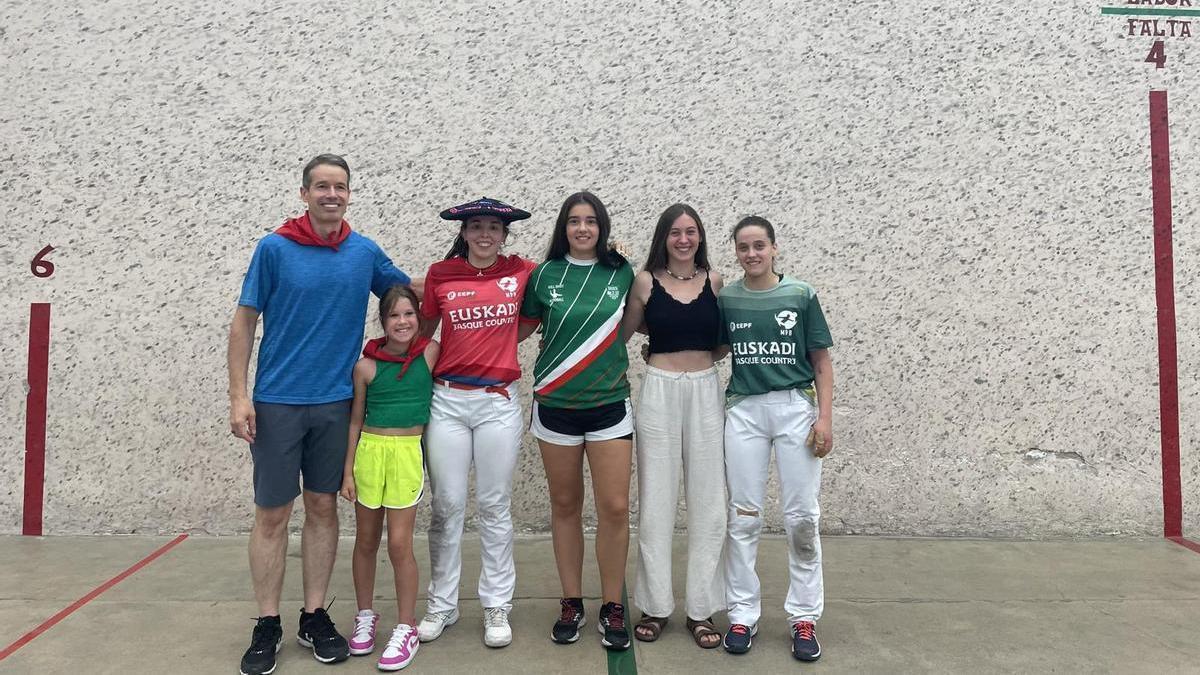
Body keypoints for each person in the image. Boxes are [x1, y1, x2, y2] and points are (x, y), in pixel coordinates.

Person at [228, 154, 418, 675]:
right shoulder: (274, 248)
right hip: (277, 402)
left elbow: (410, 298)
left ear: (349, 194)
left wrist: (478, 276)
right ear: (305, 193)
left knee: (322, 508)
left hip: (336, 405)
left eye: (340, 187)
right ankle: (268, 623)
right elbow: (243, 324)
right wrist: (239, 396)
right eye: (321, 187)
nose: (331, 194)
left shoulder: (363, 252)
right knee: (272, 515)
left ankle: (314, 615)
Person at [416, 197, 539, 649]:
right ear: (463, 233)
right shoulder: (440, 274)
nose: (485, 234)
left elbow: (531, 318)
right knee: (446, 506)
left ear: (505, 234)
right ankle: (442, 604)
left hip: (498, 404)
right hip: (447, 402)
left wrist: (500, 342)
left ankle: (496, 604)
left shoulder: (524, 271)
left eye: (493, 227)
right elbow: (425, 331)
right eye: (476, 227)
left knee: (494, 506)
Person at [520, 191, 636, 651]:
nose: (583, 228)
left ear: (602, 227)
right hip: (555, 406)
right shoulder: (544, 274)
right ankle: (571, 600)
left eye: (591, 221)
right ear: (563, 228)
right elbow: (518, 328)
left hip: (610, 404)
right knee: (565, 507)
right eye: (574, 221)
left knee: (614, 508)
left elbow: (632, 323)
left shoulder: (621, 270)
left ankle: (612, 605)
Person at [715, 216, 834, 662]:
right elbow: (715, 348)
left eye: (759, 245)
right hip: (744, 410)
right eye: (743, 247)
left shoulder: (800, 294)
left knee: (801, 517)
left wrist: (824, 418)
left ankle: (804, 616)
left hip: (795, 411)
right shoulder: (727, 298)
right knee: (743, 516)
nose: (752, 254)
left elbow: (821, 362)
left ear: (774, 248)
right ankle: (742, 614)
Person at [618, 204, 726, 649]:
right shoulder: (644, 282)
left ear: (700, 237)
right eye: (675, 232)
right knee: (657, 500)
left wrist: (698, 367)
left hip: (705, 391)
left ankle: (701, 610)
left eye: (691, 232)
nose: (684, 239)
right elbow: (622, 332)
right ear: (663, 237)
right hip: (659, 391)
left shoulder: (716, 282)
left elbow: (723, 343)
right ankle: (656, 606)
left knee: (710, 503)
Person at [339, 285, 439, 671]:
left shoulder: (430, 353)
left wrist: (419, 287)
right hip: (369, 454)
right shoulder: (365, 366)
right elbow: (355, 420)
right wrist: (348, 470)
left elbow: (435, 296)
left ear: (419, 318)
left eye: (409, 314)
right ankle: (365, 615)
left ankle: (406, 626)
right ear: (383, 322)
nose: (403, 322)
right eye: (394, 315)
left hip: (406, 455)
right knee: (365, 541)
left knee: (399, 545)